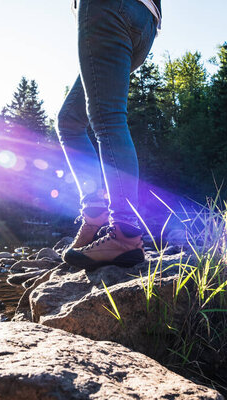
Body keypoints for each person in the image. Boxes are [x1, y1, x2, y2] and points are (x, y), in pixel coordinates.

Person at [56, 0, 162, 270]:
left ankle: (125, 234)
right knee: (70, 121)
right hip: (145, 22)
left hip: (109, 9)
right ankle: (95, 213)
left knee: (108, 118)